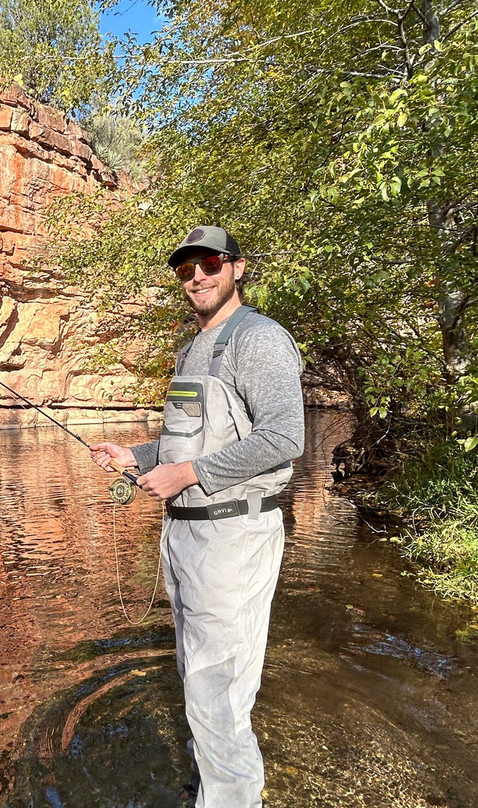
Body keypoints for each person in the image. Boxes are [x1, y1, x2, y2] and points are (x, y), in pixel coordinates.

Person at [90, 226, 304, 808]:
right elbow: (186, 441)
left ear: (237, 267)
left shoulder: (260, 339)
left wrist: (187, 474)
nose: (198, 277)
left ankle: (232, 800)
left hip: (233, 534)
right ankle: (212, 784)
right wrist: (136, 457)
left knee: (220, 688)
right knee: (196, 675)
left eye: (210, 264)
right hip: (185, 534)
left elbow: (285, 437)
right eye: (186, 270)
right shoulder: (193, 348)